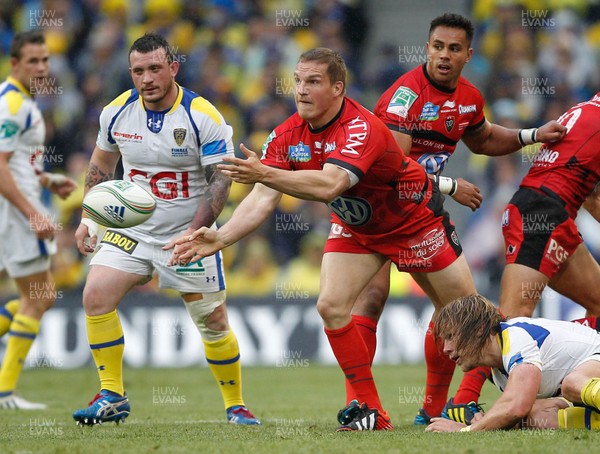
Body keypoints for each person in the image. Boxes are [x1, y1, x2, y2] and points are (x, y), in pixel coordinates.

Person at [166, 46, 529, 432]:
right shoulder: (287, 133)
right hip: (358, 229)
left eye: (313, 82)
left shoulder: (361, 126)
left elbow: (331, 184)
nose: (301, 90)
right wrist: (220, 238)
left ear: (338, 88)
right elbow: (262, 198)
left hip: (413, 221)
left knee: (466, 312)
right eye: (298, 81)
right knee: (331, 305)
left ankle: (456, 401)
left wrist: (265, 174)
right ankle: (370, 409)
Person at [342, 12, 567, 425]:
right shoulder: (405, 96)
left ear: (468, 55)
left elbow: (481, 139)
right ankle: (363, 408)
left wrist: (532, 135)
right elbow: (392, 168)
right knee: (369, 300)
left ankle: (435, 410)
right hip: (375, 210)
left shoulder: (468, 98)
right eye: (438, 47)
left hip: (420, 215)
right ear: (427, 48)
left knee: (460, 310)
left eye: (454, 49)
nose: (444, 55)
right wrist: (450, 185)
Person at [72, 33, 260, 426]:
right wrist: (89, 217)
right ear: (130, 73)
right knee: (95, 294)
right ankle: (112, 395)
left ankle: (236, 406)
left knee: (212, 321)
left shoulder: (202, 115)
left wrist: (194, 235)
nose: (147, 78)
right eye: (138, 71)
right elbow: (101, 165)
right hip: (134, 230)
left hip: (187, 231)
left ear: (173, 67)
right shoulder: (116, 112)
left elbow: (219, 183)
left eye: (155, 68)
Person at [0, 31, 78, 409]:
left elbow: (17, 161)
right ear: (15, 64)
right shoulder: (14, 105)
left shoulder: (18, 101)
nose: (42, 67)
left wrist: (47, 180)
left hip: (18, 206)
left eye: (45, 60)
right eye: (33, 61)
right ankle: (4, 393)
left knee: (39, 296)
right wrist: (33, 213)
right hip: (16, 214)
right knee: (38, 297)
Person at [426, 294, 600, 432]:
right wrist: (487, 420)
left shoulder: (515, 338)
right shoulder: (498, 369)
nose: (446, 349)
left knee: (572, 384)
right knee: (533, 416)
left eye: (450, 337)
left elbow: (516, 406)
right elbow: (516, 411)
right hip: (586, 387)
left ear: (479, 330)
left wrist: (466, 430)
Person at [499, 92, 600, 319]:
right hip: (540, 214)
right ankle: (465, 349)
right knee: (514, 317)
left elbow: (592, 197)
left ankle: (577, 352)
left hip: (550, 214)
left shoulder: (584, 110)